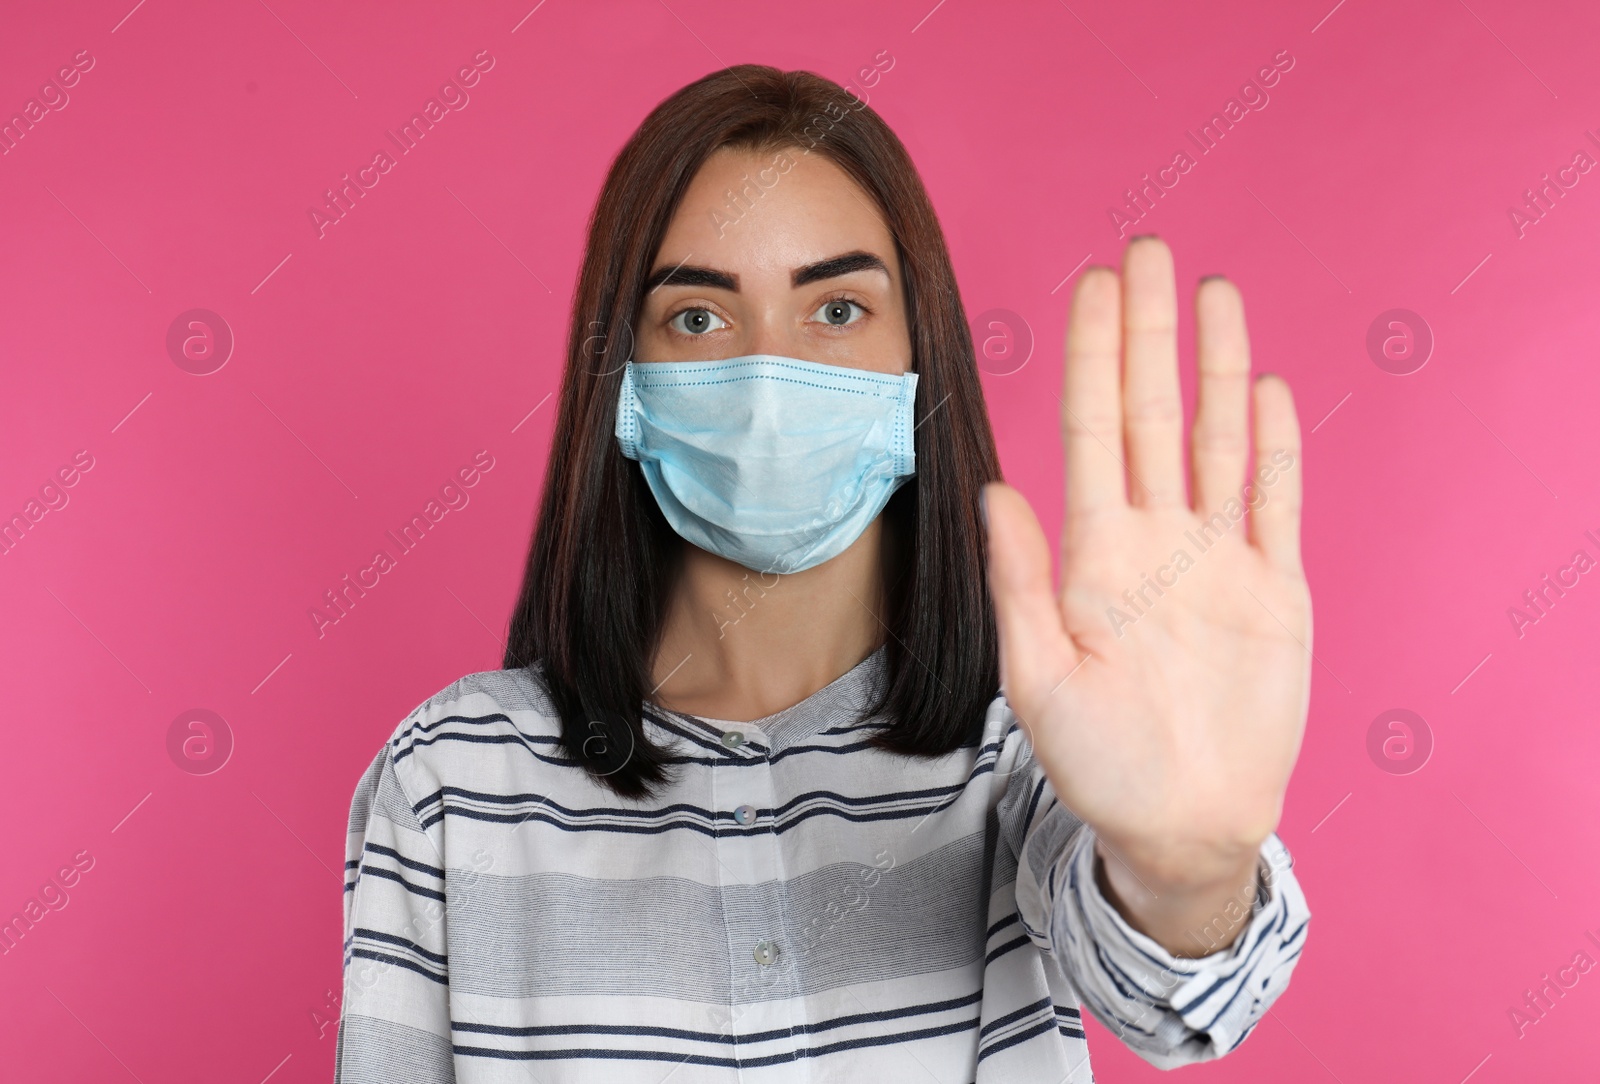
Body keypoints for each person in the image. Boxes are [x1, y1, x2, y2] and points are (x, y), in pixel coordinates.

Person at [335, 63, 1312, 1083]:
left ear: (917, 355)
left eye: (836, 310)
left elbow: (1170, 998)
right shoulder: (453, 776)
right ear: (622, 378)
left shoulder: (1026, 749)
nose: (766, 374)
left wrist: (1188, 863)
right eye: (699, 318)